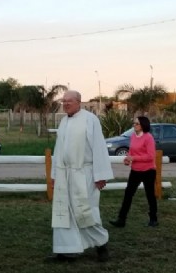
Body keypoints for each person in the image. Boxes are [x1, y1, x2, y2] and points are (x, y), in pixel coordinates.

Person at [49, 90, 114, 262]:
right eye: (64, 101)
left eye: (69, 101)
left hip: (85, 174)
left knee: (86, 210)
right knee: (65, 212)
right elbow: (59, 149)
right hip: (65, 175)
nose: (66, 104)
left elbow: (99, 146)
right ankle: (66, 251)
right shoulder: (63, 122)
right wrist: (55, 174)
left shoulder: (90, 119)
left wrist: (100, 175)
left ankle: (101, 244)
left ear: (79, 102)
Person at [110, 116, 159, 228]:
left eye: (136, 124)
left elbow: (151, 156)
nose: (134, 125)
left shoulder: (148, 138)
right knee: (128, 194)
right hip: (135, 170)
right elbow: (132, 151)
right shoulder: (133, 136)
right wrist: (128, 158)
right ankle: (121, 220)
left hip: (148, 170)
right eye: (134, 123)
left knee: (150, 195)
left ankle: (153, 219)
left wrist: (134, 158)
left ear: (143, 125)